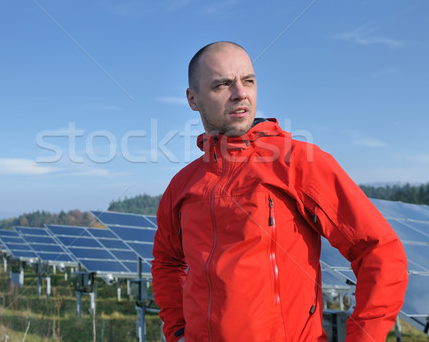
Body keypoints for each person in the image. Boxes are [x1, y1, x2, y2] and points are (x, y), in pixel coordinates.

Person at [151, 41, 408, 342]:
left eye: (248, 81)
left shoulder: (298, 162)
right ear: (193, 99)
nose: (240, 93)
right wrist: (178, 330)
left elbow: (379, 249)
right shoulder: (182, 185)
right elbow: (167, 262)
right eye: (222, 84)